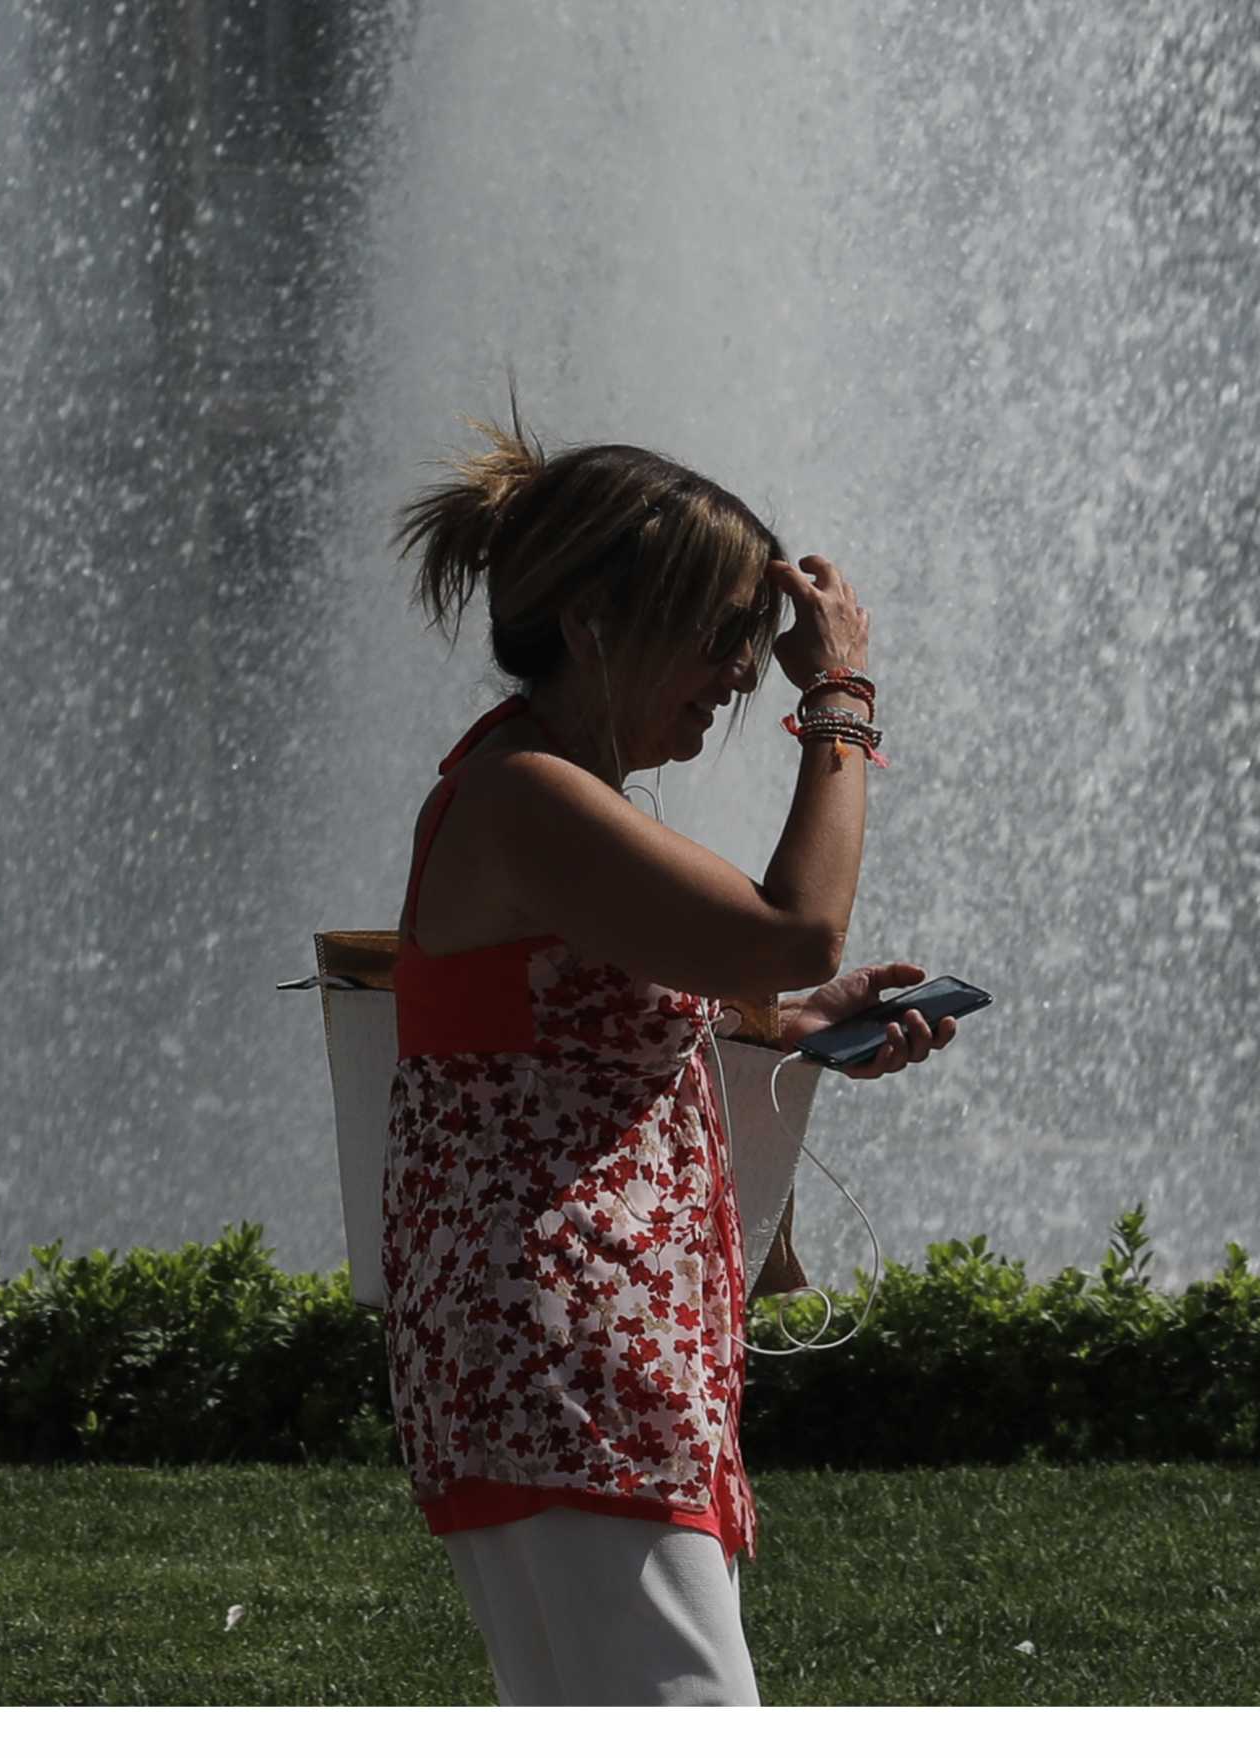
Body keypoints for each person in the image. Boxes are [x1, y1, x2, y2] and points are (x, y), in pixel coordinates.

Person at [381, 409, 960, 1707]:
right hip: (566, 1369)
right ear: (592, 621)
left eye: (752, 652)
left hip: (566, 1372)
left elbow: (620, 1019)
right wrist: (842, 698)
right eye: (716, 639)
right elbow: (792, 929)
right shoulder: (526, 796)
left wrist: (802, 1027)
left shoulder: (532, 793)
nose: (739, 675)